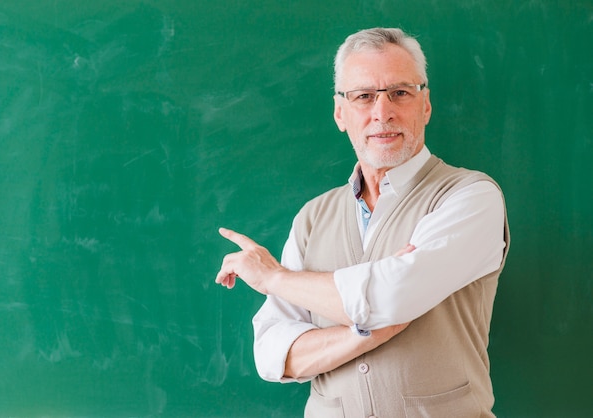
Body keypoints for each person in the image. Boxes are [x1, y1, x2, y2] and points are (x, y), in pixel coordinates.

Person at [216, 27, 510, 417]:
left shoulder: (470, 196)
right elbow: (272, 352)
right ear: (341, 113)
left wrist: (274, 279)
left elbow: (391, 297)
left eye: (400, 93)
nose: (382, 111)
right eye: (364, 96)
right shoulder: (312, 217)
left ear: (426, 105)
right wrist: (361, 335)